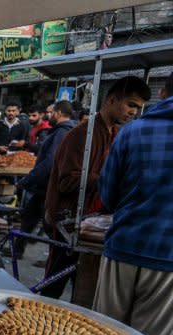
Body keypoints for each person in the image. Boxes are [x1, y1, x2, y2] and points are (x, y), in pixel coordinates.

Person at [43, 76, 150, 302]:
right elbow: (67, 182)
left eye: (138, 108)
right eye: (130, 105)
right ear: (111, 100)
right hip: (67, 221)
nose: (133, 112)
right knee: (53, 286)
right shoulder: (81, 134)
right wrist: (109, 179)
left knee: (84, 288)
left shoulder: (115, 134)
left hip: (93, 220)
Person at [94, 85, 173, 335]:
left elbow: (107, 195)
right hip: (167, 260)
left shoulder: (132, 131)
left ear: (163, 92)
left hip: (123, 246)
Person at [13, 100, 76, 259]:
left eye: (50, 112)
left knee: (50, 226)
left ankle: (59, 257)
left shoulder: (62, 132)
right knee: (29, 217)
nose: (48, 115)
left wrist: (27, 181)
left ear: (59, 113)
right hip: (44, 187)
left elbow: (49, 162)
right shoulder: (62, 131)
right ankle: (18, 249)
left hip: (49, 187)